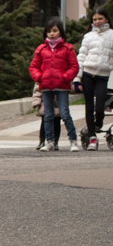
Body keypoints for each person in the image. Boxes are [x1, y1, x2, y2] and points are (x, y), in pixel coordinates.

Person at [29, 19, 80, 152]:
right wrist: (39, 77)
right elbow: (33, 67)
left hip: (62, 87)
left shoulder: (68, 49)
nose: (51, 34)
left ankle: (73, 141)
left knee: (65, 113)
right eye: (49, 31)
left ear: (60, 32)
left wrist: (65, 78)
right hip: (46, 86)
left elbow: (74, 66)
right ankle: (50, 141)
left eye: (55, 31)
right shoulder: (41, 49)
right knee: (48, 115)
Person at [74, 7, 113, 150]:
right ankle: (92, 137)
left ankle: (98, 124)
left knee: (100, 106)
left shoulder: (112, 34)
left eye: (100, 19)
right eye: (95, 19)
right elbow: (81, 57)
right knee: (89, 107)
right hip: (88, 75)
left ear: (107, 19)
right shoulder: (88, 36)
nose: (97, 22)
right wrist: (77, 79)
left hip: (103, 76)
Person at [32, 83, 62, 150]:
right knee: (44, 122)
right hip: (45, 102)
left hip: (57, 103)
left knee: (57, 123)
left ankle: (55, 141)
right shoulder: (43, 75)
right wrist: (36, 102)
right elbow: (37, 90)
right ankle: (42, 141)